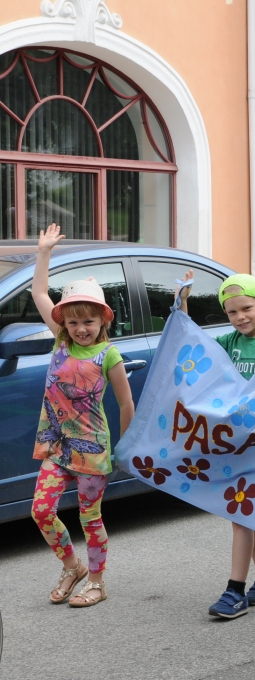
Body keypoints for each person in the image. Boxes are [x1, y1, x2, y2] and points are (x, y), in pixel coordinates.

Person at [179, 270, 255, 619]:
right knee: (249, 514)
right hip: (234, 442)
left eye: (246, 308)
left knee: (240, 514)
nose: (240, 317)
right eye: (232, 312)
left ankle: (235, 591)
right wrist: (184, 302)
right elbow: (195, 349)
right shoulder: (229, 342)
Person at [29, 224, 135, 608]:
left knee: (90, 518)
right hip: (57, 444)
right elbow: (39, 292)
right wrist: (44, 253)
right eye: (73, 321)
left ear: (103, 320)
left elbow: (126, 404)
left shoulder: (109, 355)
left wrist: (125, 448)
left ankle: (97, 582)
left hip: (92, 450)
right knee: (41, 511)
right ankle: (71, 566)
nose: (80, 328)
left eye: (88, 321)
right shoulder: (60, 340)